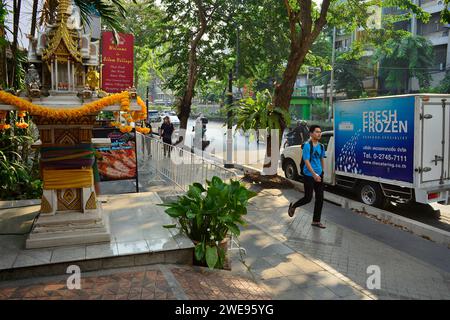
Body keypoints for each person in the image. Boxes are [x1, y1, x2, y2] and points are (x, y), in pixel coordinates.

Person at [288, 125, 326, 228]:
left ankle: (316, 221)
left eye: (320, 132)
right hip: (309, 175)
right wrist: (314, 174)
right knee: (308, 198)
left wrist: (322, 172)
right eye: (317, 132)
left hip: (319, 175)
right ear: (311, 133)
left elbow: (322, 159)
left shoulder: (321, 146)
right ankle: (294, 206)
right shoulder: (307, 146)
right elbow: (306, 161)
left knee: (320, 198)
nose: (319, 134)